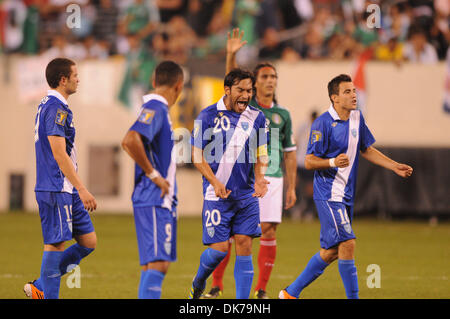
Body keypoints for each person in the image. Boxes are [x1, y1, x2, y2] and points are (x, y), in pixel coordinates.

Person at [279, 74, 413, 299]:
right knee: (348, 243)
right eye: (348, 92)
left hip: (346, 194)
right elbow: (309, 160)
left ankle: (290, 293)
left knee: (332, 251)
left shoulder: (357, 118)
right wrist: (332, 161)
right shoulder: (322, 123)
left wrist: (393, 166)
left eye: (354, 91)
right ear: (334, 98)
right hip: (328, 192)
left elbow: (366, 148)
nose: (354, 95)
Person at [204, 28, 297, 299]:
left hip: (274, 176)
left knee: (267, 230)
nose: (270, 81)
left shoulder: (282, 114)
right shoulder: (247, 107)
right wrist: (231, 54)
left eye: (273, 76)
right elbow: (231, 83)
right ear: (254, 83)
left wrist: (291, 186)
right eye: (265, 76)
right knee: (234, 234)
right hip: (243, 175)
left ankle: (261, 290)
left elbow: (290, 152)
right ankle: (217, 285)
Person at [188, 68, 269, 299]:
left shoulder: (257, 117)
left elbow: (262, 152)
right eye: (241, 90)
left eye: (249, 90)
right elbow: (196, 154)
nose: (246, 95)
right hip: (217, 195)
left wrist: (261, 178)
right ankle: (199, 280)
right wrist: (213, 182)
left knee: (245, 244)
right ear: (227, 90)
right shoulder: (207, 115)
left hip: (246, 196)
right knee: (219, 251)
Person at [24, 58, 98, 299]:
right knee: (56, 245)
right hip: (56, 185)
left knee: (88, 242)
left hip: (65, 187)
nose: (79, 79)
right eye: (75, 75)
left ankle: (40, 286)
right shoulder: (55, 107)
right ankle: (46, 293)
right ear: (63, 79)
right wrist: (82, 188)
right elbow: (58, 153)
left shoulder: (54, 105)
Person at [121, 60, 184, 299]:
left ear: (154, 81)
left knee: (153, 264)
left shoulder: (157, 109)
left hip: (152, 197)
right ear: (179, 86)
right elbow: (130, 140)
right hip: (153, 196)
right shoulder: (157, 108)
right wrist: (154, 175)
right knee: (159, 264)